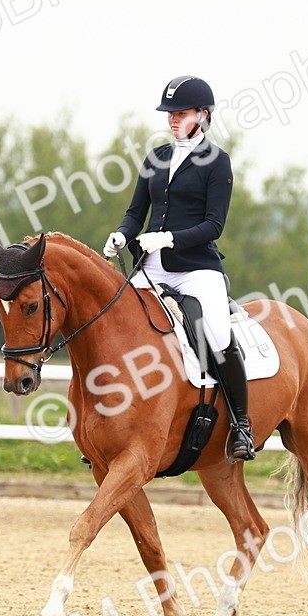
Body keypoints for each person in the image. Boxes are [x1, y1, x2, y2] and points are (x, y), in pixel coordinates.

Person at [103, 74, 255, 462]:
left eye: (180, 113)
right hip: (151, 266)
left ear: (203, 116)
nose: (172, 120)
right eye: (169, 114)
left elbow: (214, 224)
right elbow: (136, 212)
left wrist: (170, 238)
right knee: (115, 328)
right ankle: (109, 423)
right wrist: (122, 235)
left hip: (195, 268)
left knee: (218, 337)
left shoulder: (217, 162)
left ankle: (241, 424)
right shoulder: (156, 158)